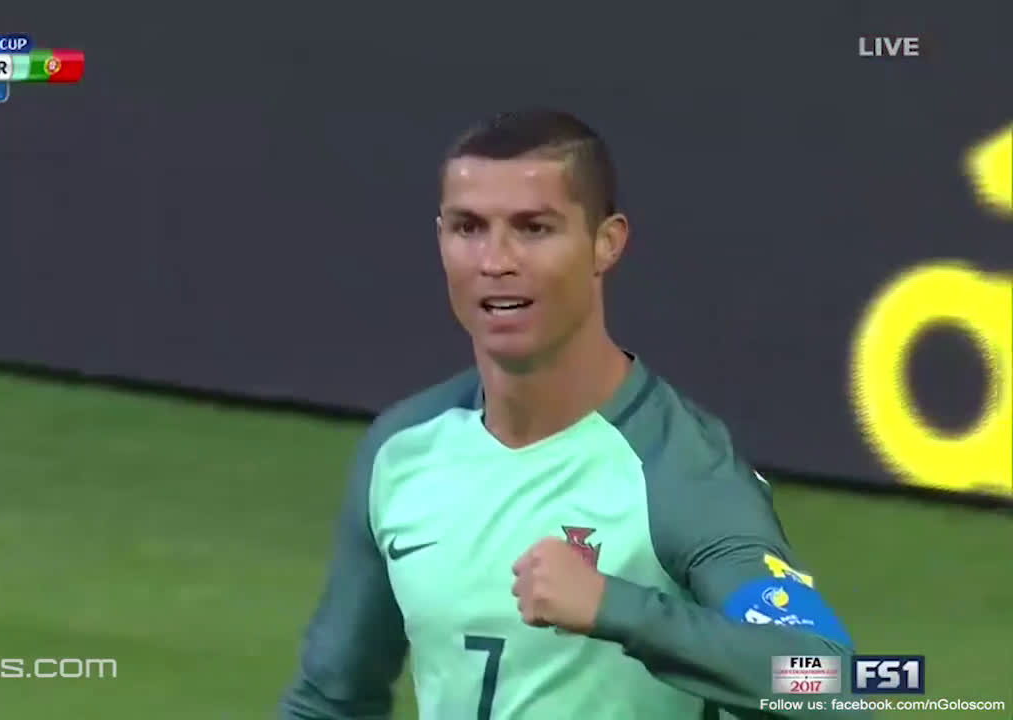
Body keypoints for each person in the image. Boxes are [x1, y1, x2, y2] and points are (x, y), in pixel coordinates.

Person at [279, 109, 864, 719]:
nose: (495, 261)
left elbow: (842, 687)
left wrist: (618, 608)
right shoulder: (402, 450)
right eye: (469, 227)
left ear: (606, 243)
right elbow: (328, 703)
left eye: (534, 228)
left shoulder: (679, 472)